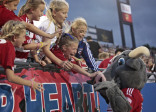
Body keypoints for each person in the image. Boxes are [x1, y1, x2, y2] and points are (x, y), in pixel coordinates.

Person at [0, 20, 43, 92]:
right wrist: (31, 83)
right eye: (23, 36)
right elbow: (11, 77)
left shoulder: (3, 43)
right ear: (15, 37)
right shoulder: (8, 47)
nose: (25, 39)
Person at [35, 0, 73, 70]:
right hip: (29, 58)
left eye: (67, 13)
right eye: (64, 13)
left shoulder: (52, 25)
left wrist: (45, 57)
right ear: (54, 12)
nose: (66, 16)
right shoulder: (50, 25)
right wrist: (61, 62)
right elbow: (45, 49)